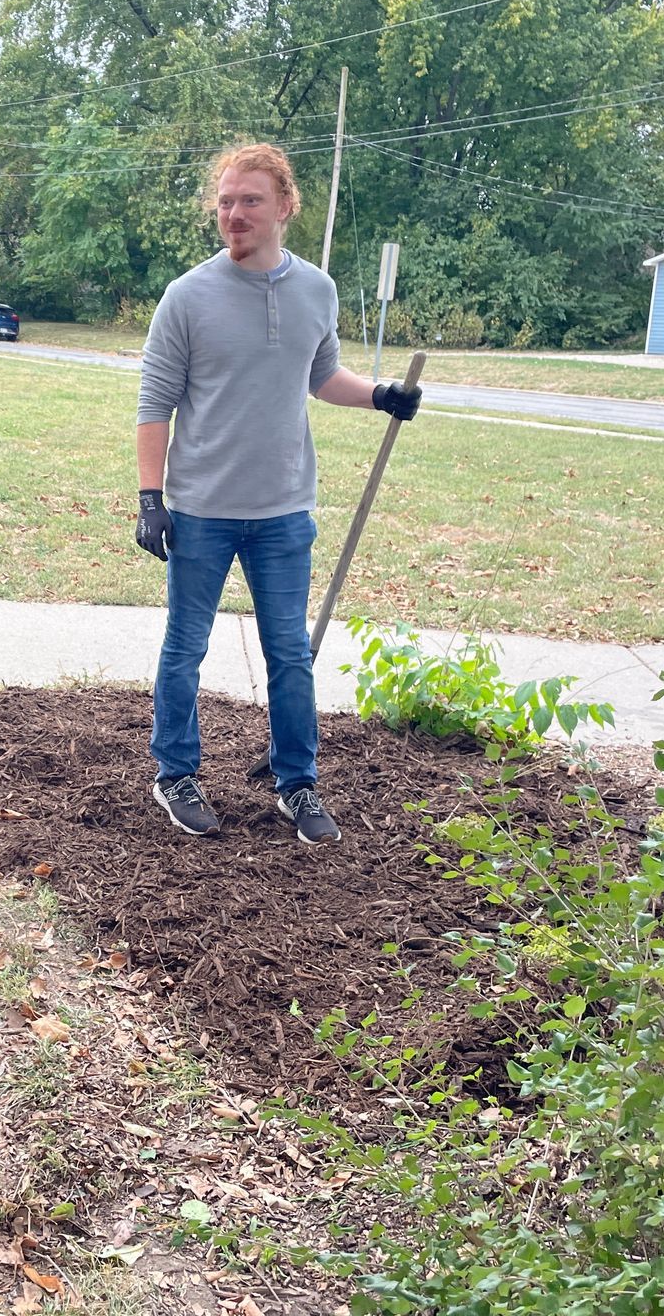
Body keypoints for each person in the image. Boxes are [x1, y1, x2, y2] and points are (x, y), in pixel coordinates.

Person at [134, 142, 422, 845]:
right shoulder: (187, 296)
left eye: (250, 201)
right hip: (200, 511)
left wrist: (381, 393)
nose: (234, 214)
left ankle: (298, 784)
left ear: (286, 207)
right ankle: (174, 772)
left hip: (285, 512)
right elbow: (154, 402)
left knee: (289, 654)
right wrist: (150, 496)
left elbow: (322, 378)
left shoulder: (316, 291)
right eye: (226, 202)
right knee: (185, 648)